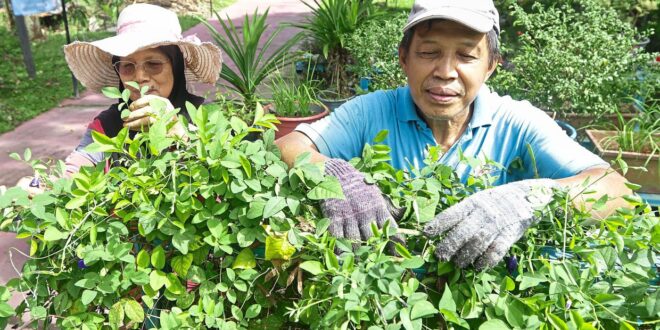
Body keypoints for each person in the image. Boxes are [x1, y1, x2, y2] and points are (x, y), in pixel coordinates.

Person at [275, 0, 632, 269]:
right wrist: (336, 175)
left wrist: (532, 198)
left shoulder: (518, 122)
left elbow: (617, 191)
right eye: (429, 53)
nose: (445, 72)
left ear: (491, 66)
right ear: (403, 59)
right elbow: (286, 145)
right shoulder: (369, 112)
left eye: (466, 55)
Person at [16, 3, 222, 193]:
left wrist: (181, 135)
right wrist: (42, 186)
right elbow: (76, 172)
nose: (140, 77)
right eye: (127, 66)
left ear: (176, 66)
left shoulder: (207, 118)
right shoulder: (108, 126)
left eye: (154, 64)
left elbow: (222, 183)